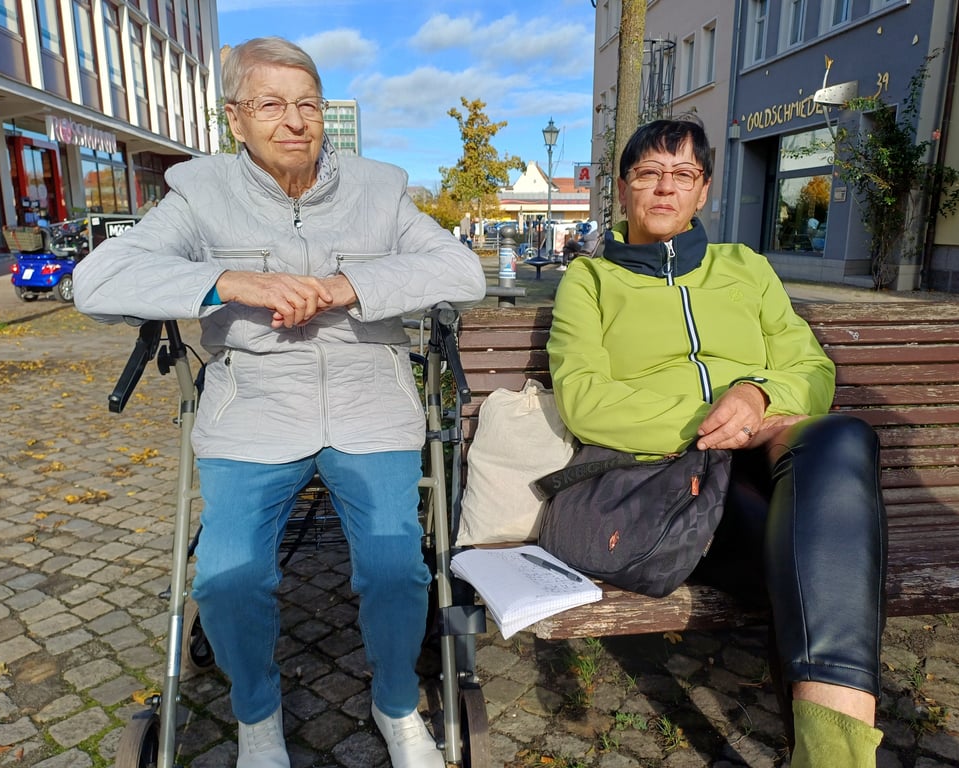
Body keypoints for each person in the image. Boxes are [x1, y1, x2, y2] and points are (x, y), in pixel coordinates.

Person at [74, 36, 485, 768]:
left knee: (397, 567)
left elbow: (461, 272)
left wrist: (351, 286)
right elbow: (97, 284)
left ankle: (395, 704)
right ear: (236, 119)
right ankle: (257, 716)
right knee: (225, 573)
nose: (293, 121)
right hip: (253, 406)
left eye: (307, 105)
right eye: (270, 105)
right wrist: (229, 282)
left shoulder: (378, 187)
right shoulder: (199, 194)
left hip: (369, 399)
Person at [546, 118, 887, 768]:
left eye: (683, 175)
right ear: (624, 189)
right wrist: (714, 419)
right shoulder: (589, 283)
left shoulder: (747, 268)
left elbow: (811, 369)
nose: (665, 188)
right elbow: (585, 399)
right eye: (649, 173)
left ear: (704, 191)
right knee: (823, 554)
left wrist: (756, 396)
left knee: (842, 436)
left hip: (767, 463)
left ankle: (830, 757)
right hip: (674, 486)